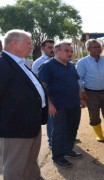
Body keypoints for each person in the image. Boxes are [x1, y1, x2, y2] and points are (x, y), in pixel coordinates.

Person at [0, 29, 48, 179]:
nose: (32, 46)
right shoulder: (2, 65)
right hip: (15, 129)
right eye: (28, 43)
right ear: (14, 44)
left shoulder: (19, 63)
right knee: (15, 167)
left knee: (30, 162)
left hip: (30, 125)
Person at [38, 41, 86, 168]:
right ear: (56, 51)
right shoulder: (47, 66)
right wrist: (50, 105)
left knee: (72, 128)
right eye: (67, 50)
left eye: (71, 51)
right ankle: (58, 157)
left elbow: (76, 84)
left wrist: (80, 99)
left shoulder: (70, 66)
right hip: (58, 106)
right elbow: (42, 88)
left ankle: (68, 150)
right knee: (59, 131)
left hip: (74, 104)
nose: (70, 53)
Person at [32, 39, 55, 149]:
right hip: (48, 96)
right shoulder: (38, 63)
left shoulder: (57, 60)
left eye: (53, 47)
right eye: (49, 48)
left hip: (59, 95)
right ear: (42, 49)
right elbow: (37, 82)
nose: (52, 50)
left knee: (61, 119)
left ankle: (64, 138)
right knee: (51, 120)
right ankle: (52, 142)